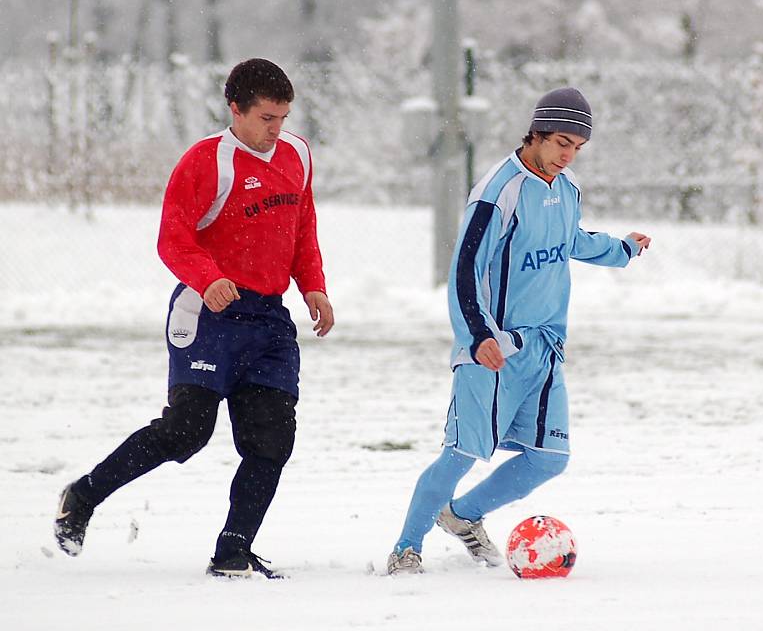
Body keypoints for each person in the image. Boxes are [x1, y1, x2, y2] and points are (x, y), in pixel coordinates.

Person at [54, 58, 334, 579]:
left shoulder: (297, 154)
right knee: (186, 431)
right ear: (236, 109)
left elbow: (303, 225)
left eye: (284, 117)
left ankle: (232, 550)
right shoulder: (206, 162)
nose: (277, 129)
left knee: (271, 439)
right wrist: (209, 278)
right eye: (267, 118)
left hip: (269, 320)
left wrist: (313, 284)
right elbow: (174, 239)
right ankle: (84, 495)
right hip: (209, 315)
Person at [387, 87, 651, 574]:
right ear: (534, 134)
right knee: (462, 452)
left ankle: (461, 516)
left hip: (545, 348)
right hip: (494, 347)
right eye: (560, 143)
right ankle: (406, 547)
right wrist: (477, 336)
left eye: (577, 147)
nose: (567, 156)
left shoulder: (566, 187)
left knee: (549, 458)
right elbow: (465, 270)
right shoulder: (497, 192)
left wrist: (622, 249)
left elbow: (571, 240)